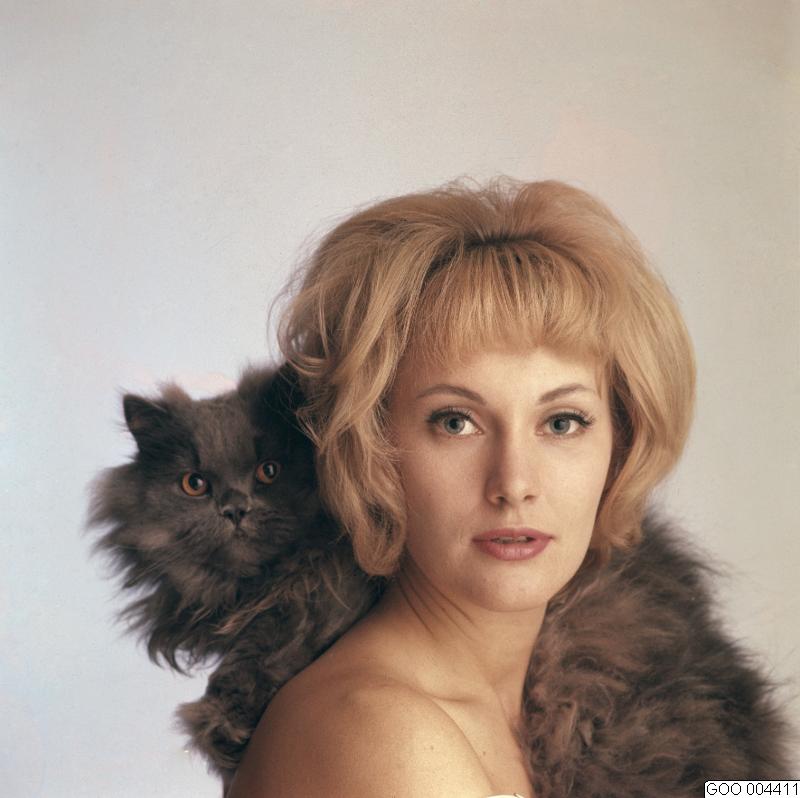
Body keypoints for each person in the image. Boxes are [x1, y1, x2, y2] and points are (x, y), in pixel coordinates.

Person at [225, 178, 728, 797]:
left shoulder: (565, 719)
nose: (514, 483)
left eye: (562, 423)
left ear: (620, 446)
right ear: (371, 447)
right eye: (455, 422)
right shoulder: (385, 735)